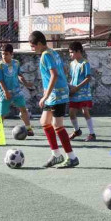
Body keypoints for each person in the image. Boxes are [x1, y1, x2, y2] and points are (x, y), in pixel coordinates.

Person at [29, 31, 79, 169]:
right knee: (44, 122)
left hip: (56, 95)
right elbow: (61, 70)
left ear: (39, 43)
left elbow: (54, 75)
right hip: (56, 94)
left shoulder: (46, 56)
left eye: (33, 46)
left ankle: (72, 157)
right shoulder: (53, 52)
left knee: (57, 126)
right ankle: (56, 155)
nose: (32, 49)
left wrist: (45, 95)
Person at [0, 44, 34, 136]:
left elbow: (19, 74)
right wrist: (6, 92)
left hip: (16, 91)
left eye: (6, 54)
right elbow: (0, 80)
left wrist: (25, 83)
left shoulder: (16, 63)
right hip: (5, 93)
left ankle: (28, 128)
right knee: (2, 115)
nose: (4, 56)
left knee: (23, 109)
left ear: (11, 54)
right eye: (2, 54)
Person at [67, 42, 95, 142]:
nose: (70, 54)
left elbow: (88, 78)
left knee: (85, 111)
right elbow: (72, 78)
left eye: (71, 52)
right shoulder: (72, 64)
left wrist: (77, 88)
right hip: (74, 92)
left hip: (83, 93)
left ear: (78, 51)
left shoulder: (85, 63)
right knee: (71, 112)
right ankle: (77, 131)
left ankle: (92, 134)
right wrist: (70, 88)